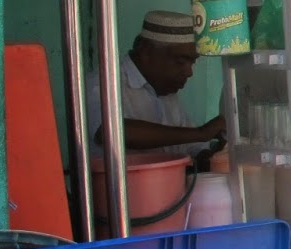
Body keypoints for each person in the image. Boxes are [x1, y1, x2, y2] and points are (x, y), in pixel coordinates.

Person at [85, 11, 225, 158]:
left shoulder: (165, 91)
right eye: (180, 61)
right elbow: (109, 131)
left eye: (192, 62)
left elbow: (191, 145)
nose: (189, 72)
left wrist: (218, 155)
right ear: (146, 52)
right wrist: (201, 133)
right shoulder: (104, 83)